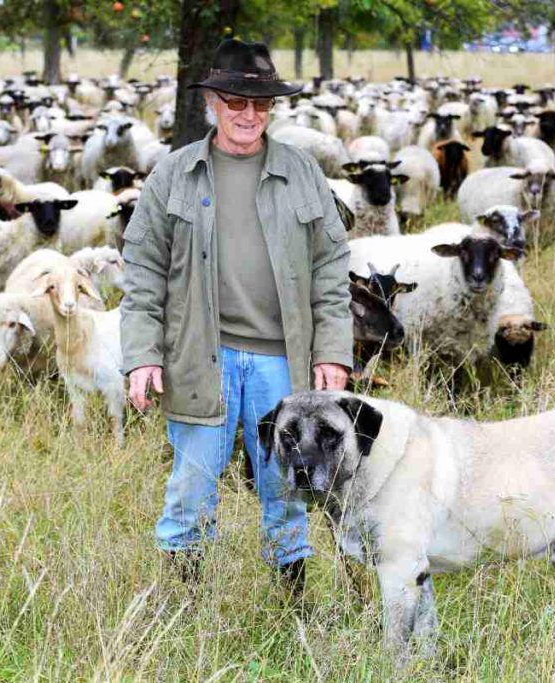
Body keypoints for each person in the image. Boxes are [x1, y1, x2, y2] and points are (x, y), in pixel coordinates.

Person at [120, 38, 353, 595]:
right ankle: (184, 605)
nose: (248, 115)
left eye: (261, 104)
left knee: (288, 485)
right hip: (203, 356)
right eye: (235, 102)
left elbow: (331, 266)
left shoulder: (301, 173)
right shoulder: (174, 175)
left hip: (283, 362)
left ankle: (293, 604)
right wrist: (142, 356)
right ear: (212, 104)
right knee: (192, 485)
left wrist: (333, 351)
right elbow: (143, 270)